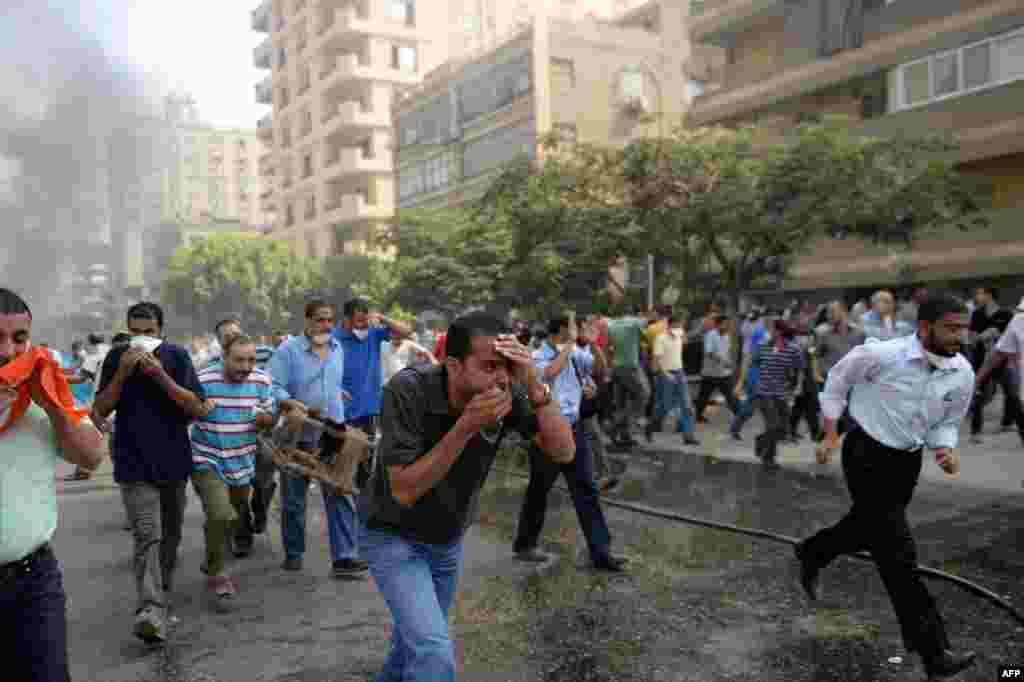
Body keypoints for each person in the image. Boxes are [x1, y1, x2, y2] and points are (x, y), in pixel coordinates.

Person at [363, 313, 575, 681]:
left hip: (446, 537)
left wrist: (535, 386)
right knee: (432, 652)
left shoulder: (506, 392)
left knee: (410, 647)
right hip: (393, 535)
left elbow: (562, 451)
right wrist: (464, 428)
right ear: (454, 364)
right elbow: (404, 489)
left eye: (507, 367)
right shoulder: (407, 390)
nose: (501, 377)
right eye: (491, 366)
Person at [795, 294, 977, 680]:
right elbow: (837, 381)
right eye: (952, 328)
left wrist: (945, 448)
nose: (960, 335)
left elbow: (946, 421)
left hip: (906, 462)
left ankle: (813, 551)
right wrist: (829, 433)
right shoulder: (883, 355)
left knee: (868, 529)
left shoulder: (961, 373)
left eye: (964, 328)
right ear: (926, 327)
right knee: (898, 553)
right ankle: (934, 652)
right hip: (865, 452)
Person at [0, 288, 107, 681]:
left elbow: (92, 456)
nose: (8, 352)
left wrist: (55, 409)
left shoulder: (40, 393)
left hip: (33, 581)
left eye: (19, 338)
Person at [93, 302, 213, 644]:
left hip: (173, 460)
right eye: (135, 332)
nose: (141, 339)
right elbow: (99, 410)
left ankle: (163, 593)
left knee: (170, 535)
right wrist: (122, 373)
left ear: (160, 331)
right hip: (132, 461)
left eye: (148, 333)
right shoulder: (117, 358)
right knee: (148, 534)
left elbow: (195, 407)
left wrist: (159, 375)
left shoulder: (176, 357)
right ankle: (150, 608)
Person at [512, 315, 625, 571]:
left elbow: (599, 370)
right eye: (574, 327)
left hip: (574, 428)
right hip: (548, 431)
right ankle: (525, 544)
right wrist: (571, 345)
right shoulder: (539, 354)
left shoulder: (574, 352)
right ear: (563, 329)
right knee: (539, 489)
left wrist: (593, 344)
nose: (578, 331)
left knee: (586, 488)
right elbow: (548, 374)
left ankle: (601, 552)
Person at [268, 299, 366, 578]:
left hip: (332, 433)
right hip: (298, 434)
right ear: (307, 321)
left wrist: (337, 394)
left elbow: (332, 383)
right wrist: (290, 403)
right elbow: (271, 387)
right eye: (320, 320)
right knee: (295, 499)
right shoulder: (288, 351)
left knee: (340, 491)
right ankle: (294, 553)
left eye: (329, 320)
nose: (325, 325)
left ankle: (345, 557)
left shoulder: (337, 350)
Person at [190, 334, 275, 607]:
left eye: (251, 360)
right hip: (206, 458)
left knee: (233, 515)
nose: (246, 366)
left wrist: (264, 419)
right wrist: (198, 409)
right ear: (223, 357)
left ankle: (211, 558)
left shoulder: (261, 381)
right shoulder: (203, 381)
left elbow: (269, 417)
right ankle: (219, 573)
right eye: (239, 360)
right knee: (219, 513)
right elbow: (184, 411)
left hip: (242, 461)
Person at [750, 320, 805, 468]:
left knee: (783, 429)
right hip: (764, 392)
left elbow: (800, 368)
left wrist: (798, 385)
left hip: (781, 393)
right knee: (773, 425)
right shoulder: (763, 347)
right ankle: (769, 458)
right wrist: (753, 382)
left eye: (771, 329)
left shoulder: (793, 349)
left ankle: (761, 440)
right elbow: (753, 363)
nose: (769, 332)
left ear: (778, 332)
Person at [974, 296, 1024, 446]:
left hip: (1011, 370)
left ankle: (1007, 422)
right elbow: (998, 353)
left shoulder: (1012, 318)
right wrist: (977, 379)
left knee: (1010, 395)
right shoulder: (1018, 321)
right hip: (1017, 381)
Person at [967, 287, 1015, 442]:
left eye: (980, 294)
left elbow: (1013, 337)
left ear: (989, 296)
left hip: (1002, 360)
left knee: (1011, 392)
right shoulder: (977, 314)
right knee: (978, 394)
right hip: (982, 361)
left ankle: (1007, 423)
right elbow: (971, 339)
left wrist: (997, 334)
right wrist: (982, 336)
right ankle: (976, 432)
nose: (977, 296)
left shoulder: (1006, 314)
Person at [648, 314, 700, 446]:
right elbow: (656, 360)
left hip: (680, 372)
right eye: (679, 324)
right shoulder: (660, 338)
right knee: (665, 406)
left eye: (681, 325)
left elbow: (685, 340)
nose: (681, 327)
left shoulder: (680, 333)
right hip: (665, 374)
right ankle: (651, 426)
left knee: (687, 405)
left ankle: (688, 436)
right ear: (671, 325)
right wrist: (665, 373)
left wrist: (682, 336)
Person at [606, 310, 653, 447]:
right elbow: (648, 333)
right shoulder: (635, 322)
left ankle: (624, 435)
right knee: (644, 393)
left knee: (622, 401)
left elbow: (609, 347)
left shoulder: (612, 324)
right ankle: (615, 425)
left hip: (616, 367)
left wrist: (609, 367)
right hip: (630, 367)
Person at [694, 314, 741, 427]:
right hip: (710, 373)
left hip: (723, 373)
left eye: (728, 324)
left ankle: (740, 414)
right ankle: (697, 415)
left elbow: (727, 352)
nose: (728, 325)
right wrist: (722, 361)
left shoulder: (727, 336)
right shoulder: (710, 335)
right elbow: (709, 352)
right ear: (718, 324)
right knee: (704, 396)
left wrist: (729, 363)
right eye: (725, 324)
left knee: (730, 395)